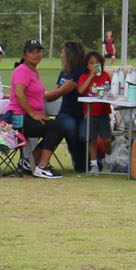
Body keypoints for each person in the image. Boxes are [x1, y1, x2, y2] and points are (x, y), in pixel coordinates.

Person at [8, 39, 65, 178]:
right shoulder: (22, 70)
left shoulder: (35, 72)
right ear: (25, 54)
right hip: (19, 118)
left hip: (28, 116)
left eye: (38, 51)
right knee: (56, 127)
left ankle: (29, 161)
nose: (35, 55)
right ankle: (42, 166)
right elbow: (19, 93)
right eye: (31, 52)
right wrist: (33, 114)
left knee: (56, 126)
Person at [51, 40, 89, 173]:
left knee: (83, 136)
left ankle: (86, 162)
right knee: (70, 128)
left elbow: (61, 91)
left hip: (82, 113)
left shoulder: (80, 72)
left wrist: (38, 95)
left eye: (63, 52)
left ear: (70, 55)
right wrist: (40, 95)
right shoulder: (64, 72)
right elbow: (54, 92)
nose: (61, 55)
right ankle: (80, 164)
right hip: (65, 113)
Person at [80, 50, 112, 172]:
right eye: (91, 63)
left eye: (97, 63)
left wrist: (110, 95)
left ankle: (108, 161)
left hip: (103, 112)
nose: (95, 65)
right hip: (90, 113)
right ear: (87, 66)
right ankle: (94, 164)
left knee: (107, 139)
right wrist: (91, 76)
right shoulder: (84, 77)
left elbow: (109, 89)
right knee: (92, 139)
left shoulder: (105, 76)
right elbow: (81, 90)